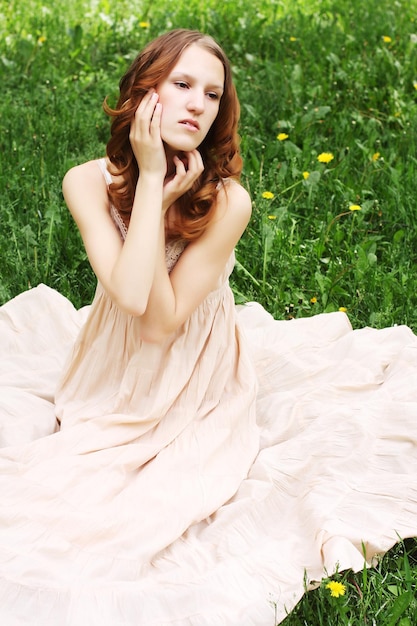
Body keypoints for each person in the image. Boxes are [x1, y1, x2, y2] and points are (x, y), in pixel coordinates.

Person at [0, 28, 417, 626]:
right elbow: (126, 295)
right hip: (112, 358)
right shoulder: (85, 181)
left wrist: (162, 190)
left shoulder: (228, 202)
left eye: (213, 94)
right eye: (183, 84)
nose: (199, 103)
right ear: (146, 93)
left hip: (189, 361)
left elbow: (159, 326)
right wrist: (149, 183)